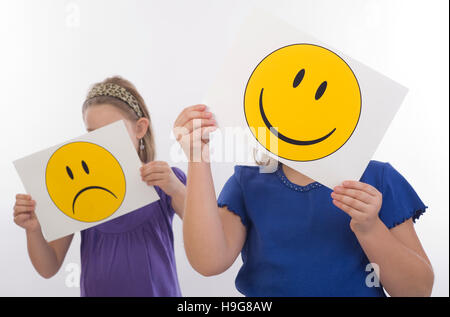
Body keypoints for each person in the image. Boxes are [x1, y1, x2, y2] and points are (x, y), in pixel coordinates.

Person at [174, 104, 434, 297]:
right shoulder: (248, 182)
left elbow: (417, 290)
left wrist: (370, 227)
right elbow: (208, 262)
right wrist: (198, 159)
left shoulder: (376, 179)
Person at [13, 76, 186, 296]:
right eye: (93, 134)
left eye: (112, 131)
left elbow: (207, 240)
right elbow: (49, 267)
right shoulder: (77, 191)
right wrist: (34, 230)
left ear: (140, 128)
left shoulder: (166, 182)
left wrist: (177, 189)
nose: (102, 142)